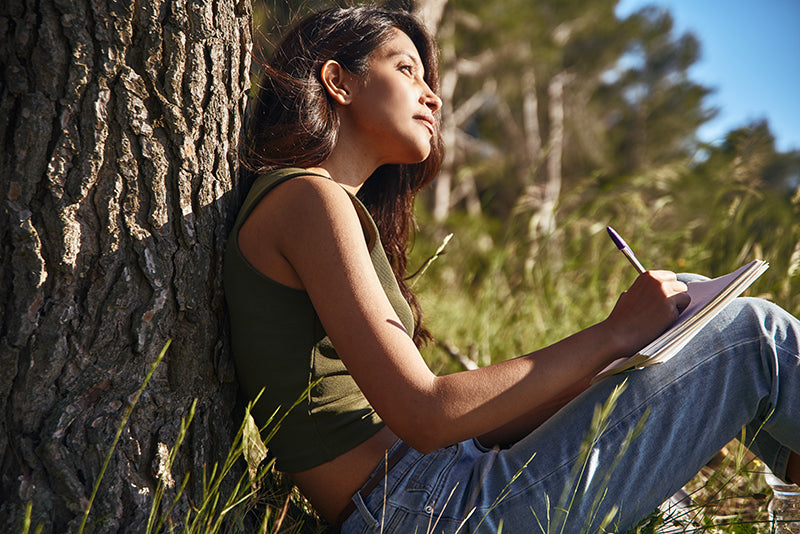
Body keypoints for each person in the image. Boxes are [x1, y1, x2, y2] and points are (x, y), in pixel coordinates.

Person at [223, 6, 800, 532]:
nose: (433, 97)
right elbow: (426, 415)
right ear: (338, 81)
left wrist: (618, 365)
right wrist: (612, 334)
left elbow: (466, 427)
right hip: (427, 509)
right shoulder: (308, 201)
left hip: (442, 483)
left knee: (694, 307)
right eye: (407, 70)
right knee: (753, 337)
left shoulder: (330, 208)